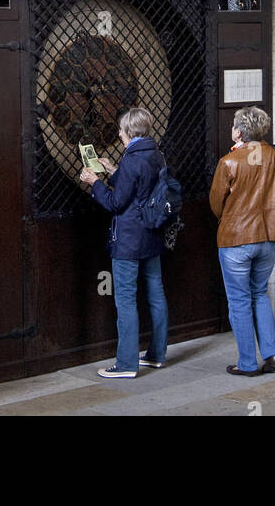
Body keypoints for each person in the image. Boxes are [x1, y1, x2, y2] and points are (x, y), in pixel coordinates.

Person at [80, 107, 169, 379]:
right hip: (152, 234)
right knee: (155, 293)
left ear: (129, 132)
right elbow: (140, 188)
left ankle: (126, 363)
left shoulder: (132, 159)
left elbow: (115, 203)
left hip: (129, 239)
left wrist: (95, 182)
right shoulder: (156, 154)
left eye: (120, 129)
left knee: (126, 300)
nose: (118, 133)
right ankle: (156, 354)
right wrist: (113, 170)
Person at [209, 107, 275, 376]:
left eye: (233, 126)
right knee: (259, 293)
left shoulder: (229, 162)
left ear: (238, 131)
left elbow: (216, 203)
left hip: (236, 237)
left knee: (239, 300)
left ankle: (248, 363)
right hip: (268, 234)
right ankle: (272, 351)